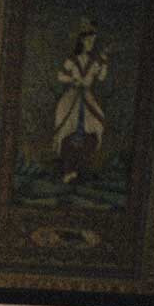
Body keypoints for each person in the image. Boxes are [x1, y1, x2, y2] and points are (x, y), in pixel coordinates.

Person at [53, 18, 109, 184]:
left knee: (94, 129)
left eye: (93, 41)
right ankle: (68, 170)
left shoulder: (94, 61)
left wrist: (104, 60)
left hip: (87, 98)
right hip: (72, 97)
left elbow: (101, 77)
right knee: (68, 131)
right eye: (89, 40)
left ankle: (79, 169)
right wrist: (73, 79)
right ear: (82, 41)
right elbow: (60, 75)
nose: (91, 44)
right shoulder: (73, 59)